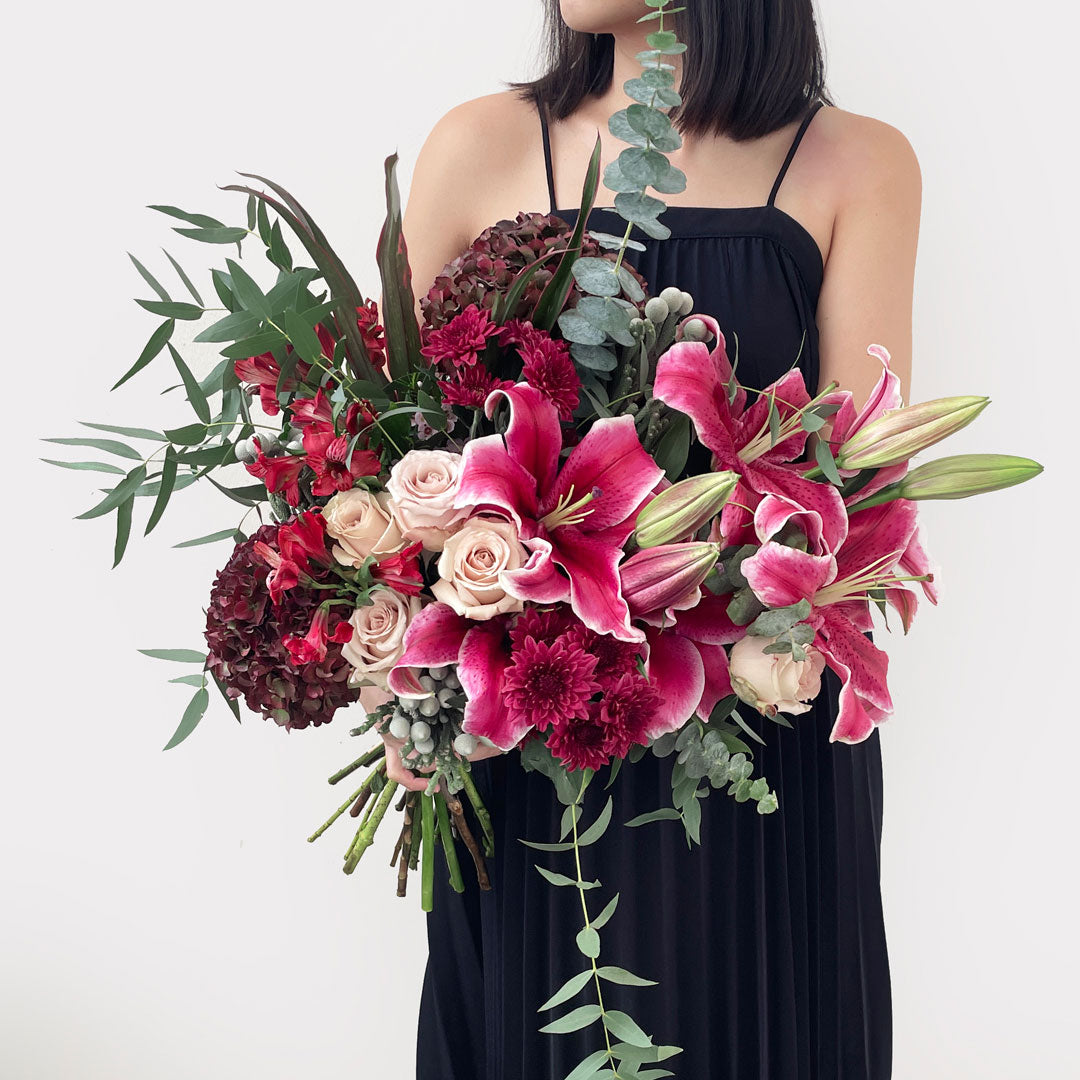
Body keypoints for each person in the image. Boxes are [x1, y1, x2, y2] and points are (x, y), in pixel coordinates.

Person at [388, 2, 921, 1077]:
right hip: (529, 747)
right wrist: (401, 661)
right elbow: (391, 452)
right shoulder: (478, 147)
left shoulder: (857, 165)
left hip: (759, 756)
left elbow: (860, 503)